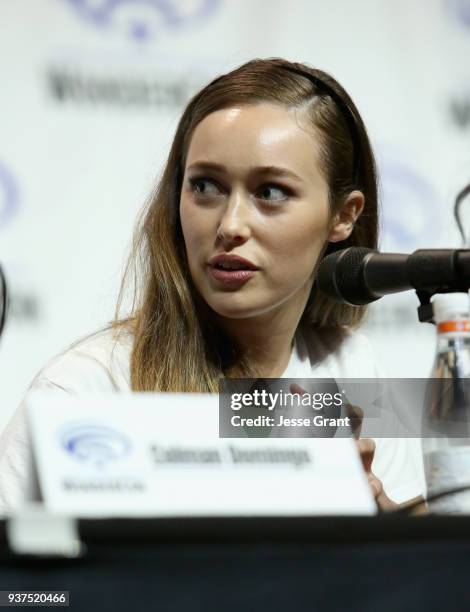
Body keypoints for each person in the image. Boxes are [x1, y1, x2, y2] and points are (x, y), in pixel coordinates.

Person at [0, 57, 423, 513]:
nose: (230, 225)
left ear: (344, 215)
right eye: (205, 186)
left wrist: (378, 530)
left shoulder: (355, 368)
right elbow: (19, 589)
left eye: (271, 192)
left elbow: (421, 573)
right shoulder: (84, 389)